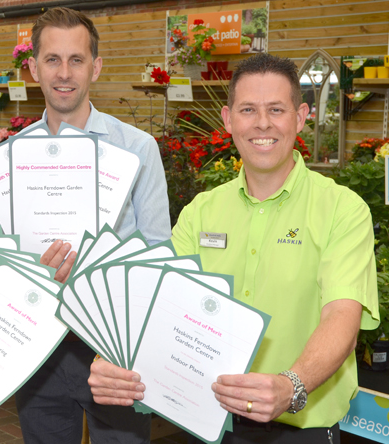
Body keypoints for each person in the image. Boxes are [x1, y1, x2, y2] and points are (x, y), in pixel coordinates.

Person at [87, 53, 379, 443]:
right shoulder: (202, 212)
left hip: (299, 427)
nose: (262, 123)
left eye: (276, 109)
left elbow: (341, 317)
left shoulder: (342, 209)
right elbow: (154, 302)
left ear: (301, 116)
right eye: (248, 110)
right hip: (206, 423)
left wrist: (290, 385)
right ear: (228, 119)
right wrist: (111, 358)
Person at [14, 7, 171, 444]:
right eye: (52, 59)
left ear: (96, 67)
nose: (65, 73)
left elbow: (159, 251)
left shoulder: (138, 149)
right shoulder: (12, 156)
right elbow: (5, 257)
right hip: (40, 351)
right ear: (33, 68)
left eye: (77, 60)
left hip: (115, 351)